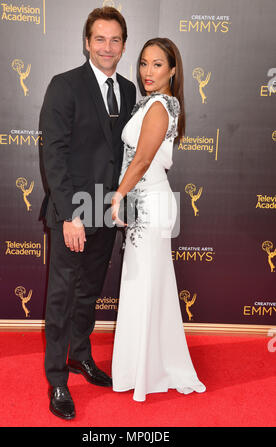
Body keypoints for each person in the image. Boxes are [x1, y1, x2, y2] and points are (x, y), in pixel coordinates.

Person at [40, 7, 136, 419]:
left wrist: (119, 203)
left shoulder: (130, 89)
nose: (107, 47)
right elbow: (54, 155)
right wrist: (69, 214)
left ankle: (81, 355)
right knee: (62, 297)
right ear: (86, 42)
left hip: (108, 210)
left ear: (124, 45)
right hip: (74, 211)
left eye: (115, 40)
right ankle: (58, 378)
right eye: (100, 39)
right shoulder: (65, 86)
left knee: (89, 292)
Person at [111, 38, 206, 402]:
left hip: (148, 201)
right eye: (144, 64)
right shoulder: (150, 103)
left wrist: (118, 196)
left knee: (146, 285)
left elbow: (142, 160)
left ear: (172, 70)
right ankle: (146, 366)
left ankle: (147, 370)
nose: (147, 72)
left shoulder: (161, 105)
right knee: (146, 284)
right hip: (145, 200)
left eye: (157, 65)